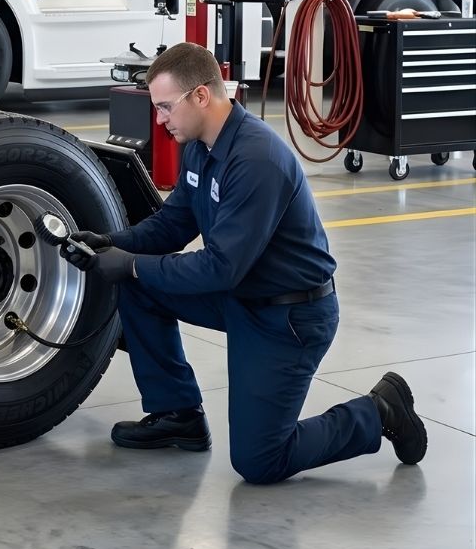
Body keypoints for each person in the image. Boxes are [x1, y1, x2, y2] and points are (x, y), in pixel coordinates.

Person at [62, 42, 427, 484]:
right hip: (242, 295)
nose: (159, 120)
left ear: (200, 96)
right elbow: (174, 223)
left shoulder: (256, 160)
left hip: (288, 315)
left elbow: (220, 268)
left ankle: (378, 410)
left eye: (165, 107)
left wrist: (131, 265)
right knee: (140, 285)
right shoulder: (200, 145)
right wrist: (111, 243)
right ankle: (177, 414)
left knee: (260, 461)